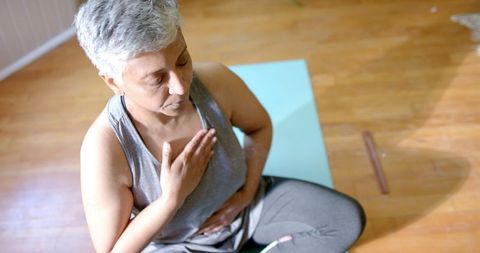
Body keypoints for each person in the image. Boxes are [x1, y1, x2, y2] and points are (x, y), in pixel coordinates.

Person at [75, 0, 366, 252]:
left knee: (345, 220)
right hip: (176, 244)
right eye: (157, 79)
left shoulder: (216, 82)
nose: (180, 86)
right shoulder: (104, 148)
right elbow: (113, 250)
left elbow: (259, 127)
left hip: (245, 210)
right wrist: (170, 199)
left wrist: (247, 193)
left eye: (182, 60)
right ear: (113, 81)